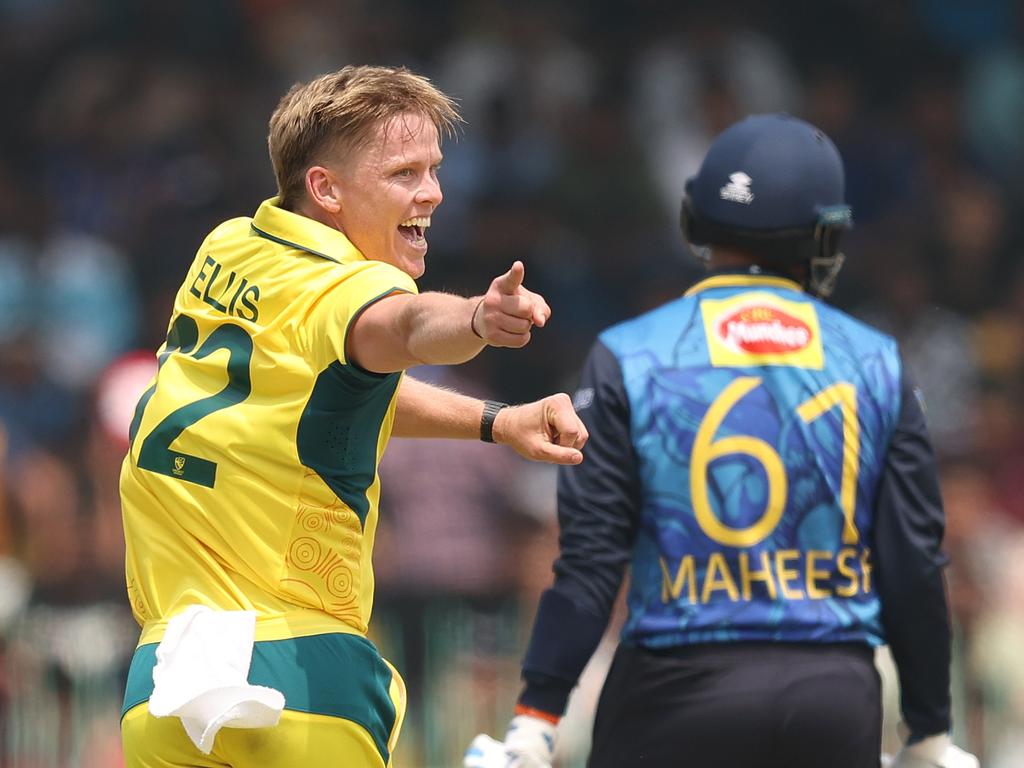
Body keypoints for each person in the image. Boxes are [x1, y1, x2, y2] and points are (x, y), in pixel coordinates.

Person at [465, 114, 979, 768]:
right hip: (834, 697)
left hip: (671, 693)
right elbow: (914, 561)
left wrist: (536, 719)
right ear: (823, 237)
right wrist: (929, 729)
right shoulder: (875, 361)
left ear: (692, 223)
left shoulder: (628, 355)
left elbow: (590, 562)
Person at [118, 64, 588, 768]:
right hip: (299, 677)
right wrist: (477, 318)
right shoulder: (358, 283)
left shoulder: (228, 248)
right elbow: (405, 326)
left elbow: (335, 395)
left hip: (164, 685)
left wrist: (494, 421)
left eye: (433, 169)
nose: (432, 192)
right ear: (325, 188)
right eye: (404, 173)